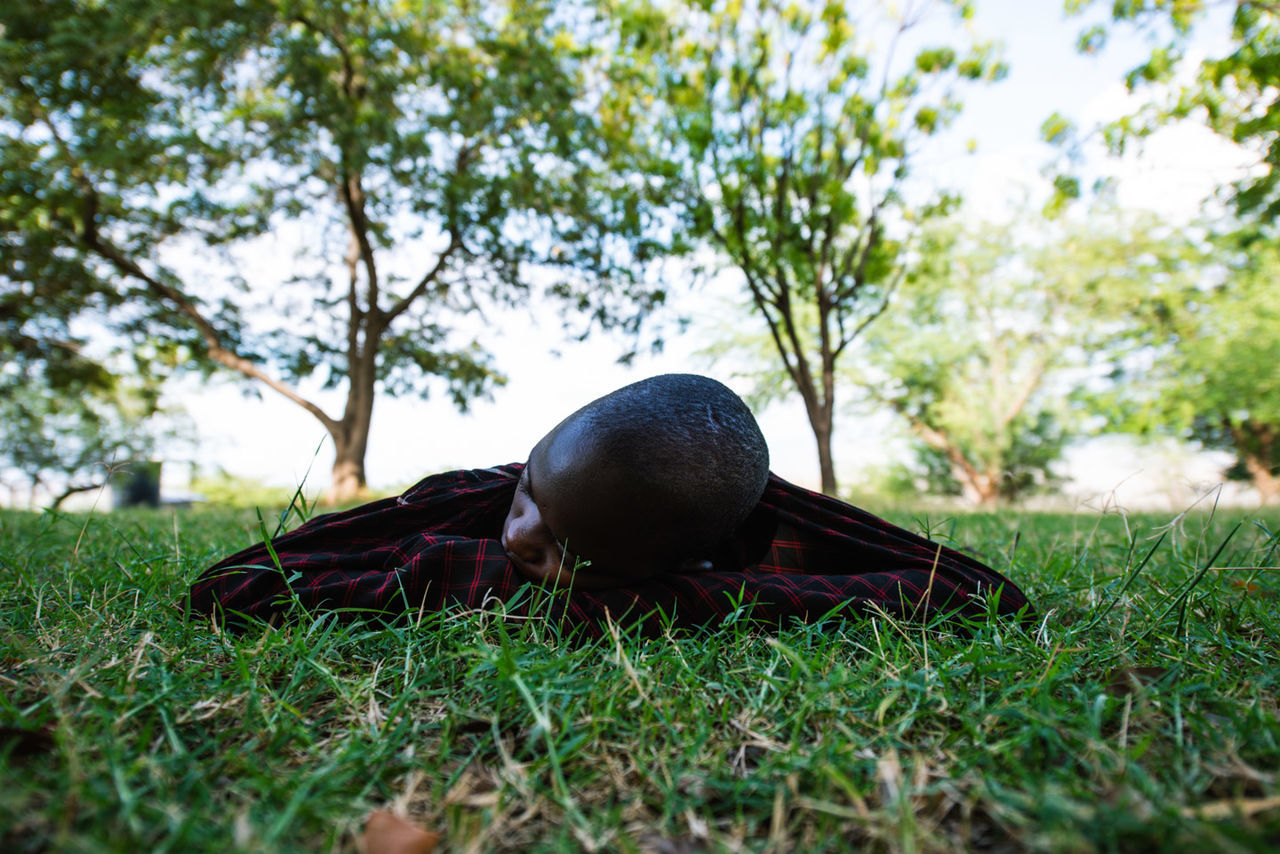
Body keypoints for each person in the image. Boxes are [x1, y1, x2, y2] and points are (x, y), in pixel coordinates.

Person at [188, 375, 1031, 634]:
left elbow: (975, 589)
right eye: (531, 498)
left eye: (562, 551)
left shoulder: (742, 527)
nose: (521, 538)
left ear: (679, 564)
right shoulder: (471, 504)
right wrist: (469, 575)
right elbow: (235, 584)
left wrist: (685, 604)